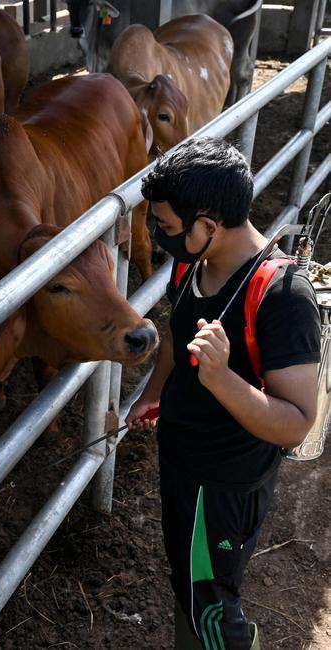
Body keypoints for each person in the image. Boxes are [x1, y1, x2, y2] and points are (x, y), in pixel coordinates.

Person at [126, 137, 321, 650]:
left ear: (208, 224)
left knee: (212, 603)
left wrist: (221, 378)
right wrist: (154, 393)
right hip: (183, 459)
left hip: (225, 481)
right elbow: (175, 332)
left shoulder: (282, 296)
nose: (158, 235)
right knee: (191, 587)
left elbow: (297, 420)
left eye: (166, 226)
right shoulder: (192, 262)